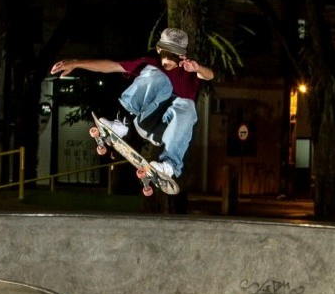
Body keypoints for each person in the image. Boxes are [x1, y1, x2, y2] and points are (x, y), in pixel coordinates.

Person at [50, 27, 214, 181]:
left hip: (168, 130)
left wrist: (197, 68)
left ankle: (169, 165)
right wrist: (76, 62)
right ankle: (121, 123)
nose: (167, 59)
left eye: (173, 55)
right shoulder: (151, 63)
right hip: (146, 121)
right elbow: (112, 66)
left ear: (181, 55)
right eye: (164, 53)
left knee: (187, 105)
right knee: (156, 75)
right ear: (158, 49)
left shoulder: (189, 70)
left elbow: (209, 75)